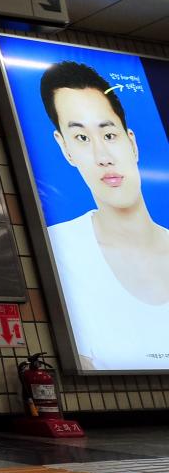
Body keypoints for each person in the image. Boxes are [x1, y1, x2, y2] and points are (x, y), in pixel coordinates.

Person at [40, 61, 169, 370]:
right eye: (82, 138)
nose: (103, 157)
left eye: (109, 135)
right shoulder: (59, 247)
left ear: (131, 142)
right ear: (65, 149)